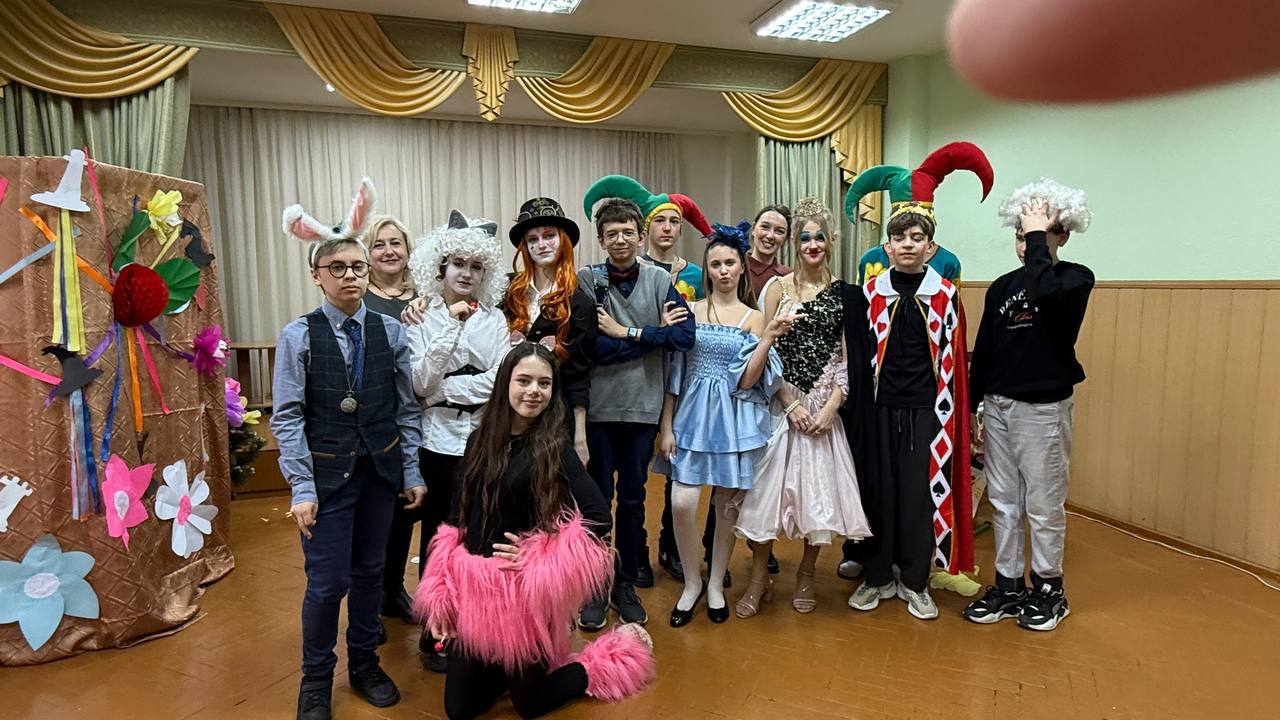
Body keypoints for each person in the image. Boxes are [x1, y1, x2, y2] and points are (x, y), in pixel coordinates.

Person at [414, 340, 656, 720]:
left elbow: (598, 517)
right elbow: (457, 521)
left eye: (544, 384)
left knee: (530, 704)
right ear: (505, 384)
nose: (534, 391)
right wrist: (443, 594)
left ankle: (608, 655)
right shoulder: (479, 441)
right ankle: (502, 665)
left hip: (523, 596)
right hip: (475, 592)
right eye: (524, 381)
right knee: (459, 710)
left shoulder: (554, 447)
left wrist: (539, 555)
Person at [272, 178, 426, 720]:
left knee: (369, 574)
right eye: (336, 268)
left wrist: (411, 471)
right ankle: (316, 679)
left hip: (380, 473)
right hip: (326, 478)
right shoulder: (298, 336)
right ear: (316, 275)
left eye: (357, 266)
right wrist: (301, 487)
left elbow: (406, 408)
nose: (350, 276)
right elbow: (287, 417)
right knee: (326, 583)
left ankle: (364, 663)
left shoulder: (392, 332)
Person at [843, 142, 989, 621]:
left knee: (920, 494)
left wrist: (964, 416)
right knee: (877, 492)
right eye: (899, 237)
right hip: (879, 410)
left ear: (930, 247)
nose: (907, 244)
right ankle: (876, 576)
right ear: (887, 247)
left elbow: (956, 365)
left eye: (916, 237)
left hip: (929, 412)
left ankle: (915, 580)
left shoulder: (945, 297)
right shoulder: (869, 294)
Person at [964, 178, 1094, 631]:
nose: (1025, 245)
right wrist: (973, 406)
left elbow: (1045, 293)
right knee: (1003, 501)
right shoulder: (1001, 287)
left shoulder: (1074, 279)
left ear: (1063, 236)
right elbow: (986, 349)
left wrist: (1039, 237)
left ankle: (1049, 589)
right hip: (999, 405)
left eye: (1035, 235)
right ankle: (1008, 584)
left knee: (1043, 503)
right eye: (1020, 236)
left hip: (1042, 410)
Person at [734, 197, 872, 618]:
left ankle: (808, 574)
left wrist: (832, 406)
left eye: (820, 237)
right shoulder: (778, 289)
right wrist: (788, 401)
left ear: (831, 242)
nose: (813, 244)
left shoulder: (847, 294)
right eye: (805, 237)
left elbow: (848, 357)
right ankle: (759, 577)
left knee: (818, 498)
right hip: (782, 407)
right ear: (795, 243)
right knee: (765, 500)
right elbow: (763, 350)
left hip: (824, 409)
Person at [576, 177, 696, 629]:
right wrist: (651, 339)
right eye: (612, 234)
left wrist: (627, 332)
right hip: (600, 410)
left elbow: (684, 337)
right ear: (601, 239)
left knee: (631, 499)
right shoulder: (589, 280)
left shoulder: (660, 279)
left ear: (640, 236)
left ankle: (624, 584)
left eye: (628, 232)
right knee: (597, 502)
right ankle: (595, 585)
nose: (621, 240)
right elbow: (590, 347)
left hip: (643, 410)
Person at [654, 222, 785, 626]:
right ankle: (692, 581)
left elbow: (748, 380)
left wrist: (767, 339)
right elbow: (673, 372)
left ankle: (714, 584)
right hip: (691, 416)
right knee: (681, 502)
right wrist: (666, 427)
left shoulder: (754, 317)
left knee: (726, 508)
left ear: (741, 267)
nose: (724, 270)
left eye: (730, 263)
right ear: (707, 270)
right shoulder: (690, 311)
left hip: (732, 420)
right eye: (716, 264)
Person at [405, 210, 510, 670]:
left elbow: (498, 382)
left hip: (482, 442)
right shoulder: (420, 317)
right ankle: (434, 629)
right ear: (441, 267)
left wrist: (445, 390)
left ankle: (473, 624)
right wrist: (449, 324)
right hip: (437, 444)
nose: (467, 274)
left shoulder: (496, 321)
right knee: (437, 538)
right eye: (459, 264)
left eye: (477, 267)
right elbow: (419, 382)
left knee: (478, 535)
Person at [358, 215, 422, 629]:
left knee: (406, 510)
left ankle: (393, 589)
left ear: (408, 250)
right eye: (379, 244)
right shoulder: (359, 297)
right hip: (377, 416)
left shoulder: (426, 295)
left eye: (395, 243)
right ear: (368, 254)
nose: (388, 251)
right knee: (374, 513)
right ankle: (369, 597)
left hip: (420, 415)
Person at [502, 197, 596, 465]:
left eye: (549, 236)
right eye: (532, 239)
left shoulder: (579, 302)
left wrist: (580, 436)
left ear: (563, 240)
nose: (541, 245)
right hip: (507, 413)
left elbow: (579, 373)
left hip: (555, 415)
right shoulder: (508, 293)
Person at [746, 204, 793, 298]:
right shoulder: (736, 269)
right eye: (765, 227)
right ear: (754, 228)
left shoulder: (790, 277)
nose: (770, 236)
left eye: (779, 231)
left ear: (785, 239)